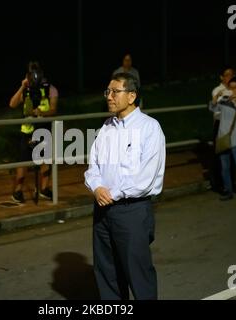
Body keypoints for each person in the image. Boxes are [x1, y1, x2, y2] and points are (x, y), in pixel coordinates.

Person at [84, 73, 165, 300]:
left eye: (114, 92)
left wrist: (112, 194)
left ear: (131, 96)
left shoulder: (150, 128)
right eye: (107, 92)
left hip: (132, 211)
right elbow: (93, 166)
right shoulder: (106, 128)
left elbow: (146, 178)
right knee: (107, 273)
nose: (109, 97)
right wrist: (97, 187)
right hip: (102, 211)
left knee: (138, 274)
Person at [9, 61, 58, 203]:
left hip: (44, 130)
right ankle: (18, 191)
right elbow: (12, 104)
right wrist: (22, 86)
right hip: (27, 131)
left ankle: (43, 189)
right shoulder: (26, 89)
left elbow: (53, 110)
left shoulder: (50, 89)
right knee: (23, 161)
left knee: (45, 160)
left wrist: (41, 112)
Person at [209, 67, 236, 193]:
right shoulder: (217, 90)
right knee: (220, 156)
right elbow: (218, 108)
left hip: (233, 126)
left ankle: (232, 183)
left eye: (232, 74)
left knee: (234, 156)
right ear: (221, 77)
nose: (230, 77)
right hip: (220, 125)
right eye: (227, 75)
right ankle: (219, 185)